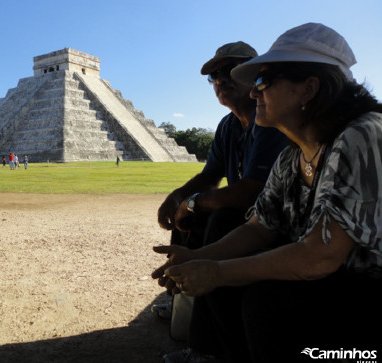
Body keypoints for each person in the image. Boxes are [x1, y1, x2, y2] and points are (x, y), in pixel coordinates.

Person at [153, 23, 382, 363]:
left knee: (269, 299)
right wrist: (204, 257)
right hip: (337, 277)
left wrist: (216, 272)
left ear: (308, 89)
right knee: (234, 254)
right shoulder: (293, 155)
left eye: (263, 81)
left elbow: (320, 255)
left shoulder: (361, 135)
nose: (254, 92)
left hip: (366, 285)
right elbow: (259, 226)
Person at [152, 42, 288, 319]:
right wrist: (179, 197)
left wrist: (194, 202)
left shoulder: (268, 119)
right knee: (186, 219)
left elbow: (251, 191)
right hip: (250, 217)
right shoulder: (228, 125)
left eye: (230, 70)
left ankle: (207, 338)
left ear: (253, 74)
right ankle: (182, 299)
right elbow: (210, 175)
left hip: (274, 221)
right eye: (213, 76)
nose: (220, 79)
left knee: (219, 218)